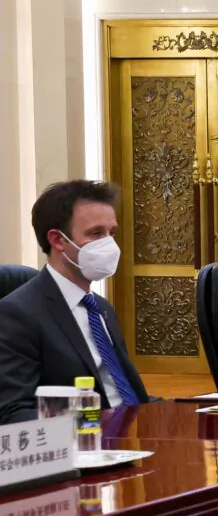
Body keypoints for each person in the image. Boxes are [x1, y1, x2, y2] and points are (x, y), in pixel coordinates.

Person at [0, 180, 151, 425]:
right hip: (83, 450)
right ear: (58, 240)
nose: (109, 245)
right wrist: (94, 420)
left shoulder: (101, 308)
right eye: (96, 233)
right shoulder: (17, 314)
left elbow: (125, 395)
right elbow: (14, 412)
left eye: (111, 233)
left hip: (136, 435)